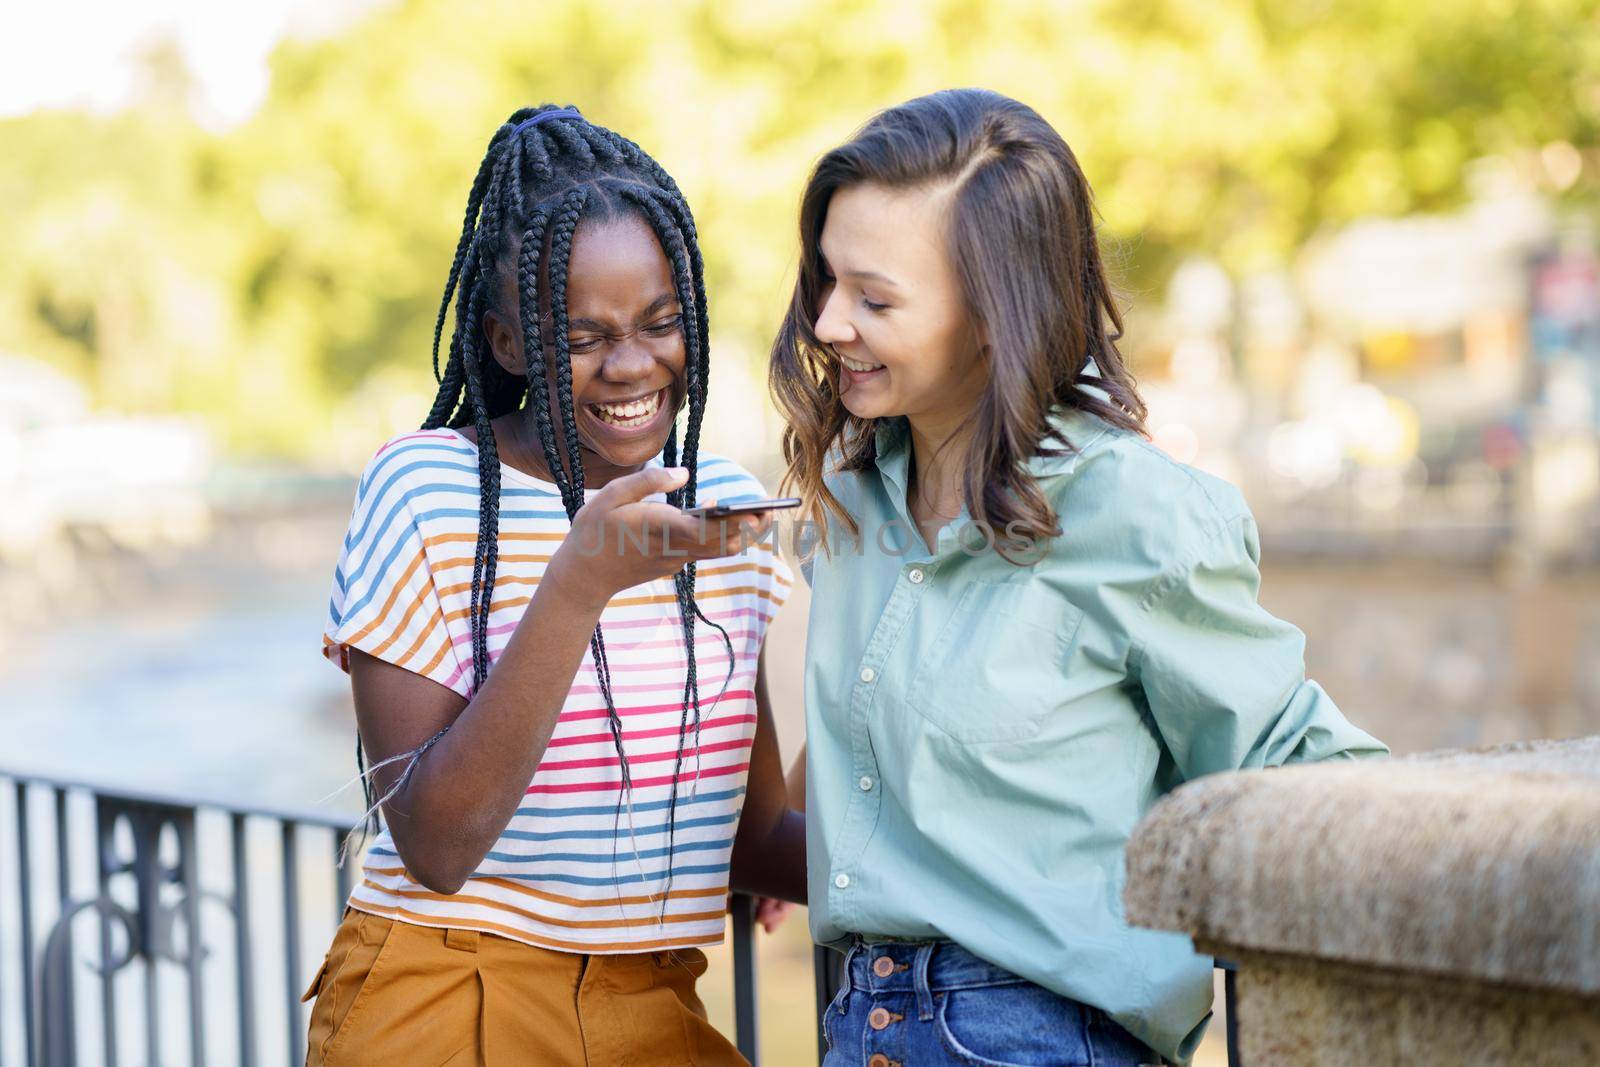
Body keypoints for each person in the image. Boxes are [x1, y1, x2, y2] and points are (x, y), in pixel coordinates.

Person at [768, 88, 1388, 1067]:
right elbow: (880, 694)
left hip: (1039, 1036)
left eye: (875, 298)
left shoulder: (1133, 513)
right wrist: (831, 830)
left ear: (992, 312)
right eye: (825, 281)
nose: (829, 322)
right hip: (864, 1027)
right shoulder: (853, 500)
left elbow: (1282, 758)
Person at [306, 105, 804, 1066]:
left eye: (663, 323)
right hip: (445, 993)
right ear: (505, 342)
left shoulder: (728, 513)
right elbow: (436, 845)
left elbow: (752, 835)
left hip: (650, 997)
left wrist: (977, 867)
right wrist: (578, 585)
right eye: (582, 335)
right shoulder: (427, 489)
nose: (632, 365)